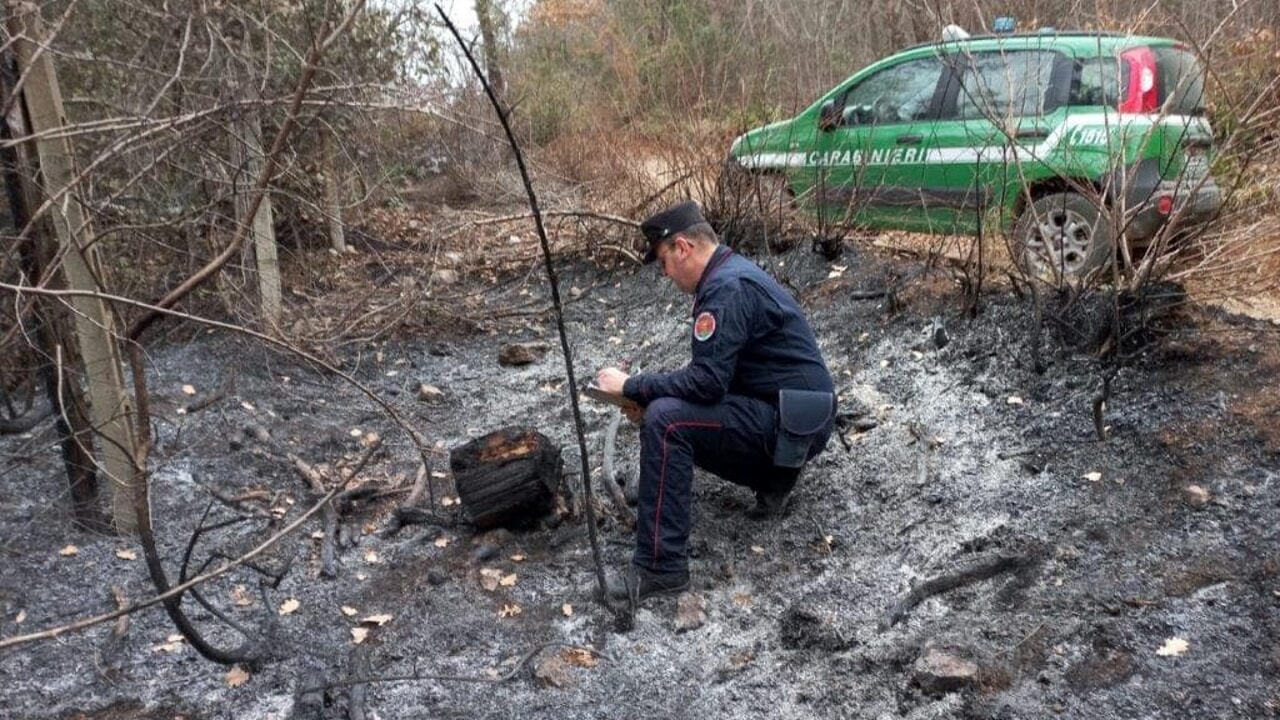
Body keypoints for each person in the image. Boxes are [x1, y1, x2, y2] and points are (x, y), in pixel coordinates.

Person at [595, 200, 836, 610]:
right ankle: (774, 482)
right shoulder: (730, 274)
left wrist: (634, 386)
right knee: (665, 409)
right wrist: (649, 396)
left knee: (667, 422)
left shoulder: (726, 289)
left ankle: (660, 568)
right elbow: (716, 378)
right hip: (797, 415)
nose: (665, 274)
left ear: (683, 247)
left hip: (790, 423)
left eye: (663, 262)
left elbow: (706, 384)